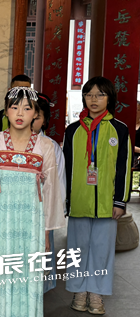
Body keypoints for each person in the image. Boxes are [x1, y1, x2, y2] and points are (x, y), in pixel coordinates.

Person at [0, 87, 65, 317]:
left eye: (27, 108)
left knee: (27, 273)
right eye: (14, 107)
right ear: (5, 111)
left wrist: (46, 232)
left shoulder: (46, 146)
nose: (20, 113)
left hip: (31, 221)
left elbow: (51, 190)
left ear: (36, 114)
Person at [63, 76, 132, 314]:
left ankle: (96, 294)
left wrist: (119, 201)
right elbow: (66, 169)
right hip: (78, 202)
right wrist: (66, 200)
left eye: (100, 94)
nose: (94, 99)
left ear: (109, 98)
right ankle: (78, 291)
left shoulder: (120, 129)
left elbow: (124, 168)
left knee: (102, 250)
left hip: (107, 204)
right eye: (89, 94)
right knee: (77, 249)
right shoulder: (72, 130)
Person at [32, 93, 66, 294]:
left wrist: (55, 214)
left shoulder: (51, 147)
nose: (31, 120)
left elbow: (58, 185)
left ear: (45, 120)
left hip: (42, 213)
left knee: (40, 258)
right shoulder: (4, 144)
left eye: (37, 117)